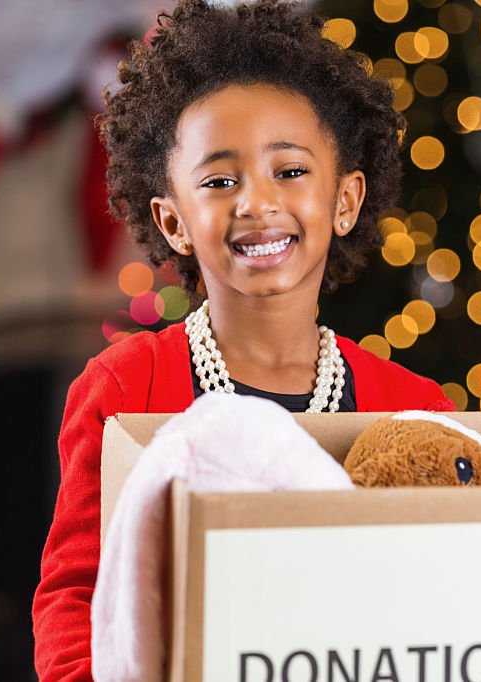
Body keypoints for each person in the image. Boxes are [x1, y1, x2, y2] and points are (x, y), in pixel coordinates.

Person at [31, 0, 455, 678]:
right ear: (173, 221)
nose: (256, 203)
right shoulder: (122, 386)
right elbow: (77, 596)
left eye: (289, 171)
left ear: (344, 201)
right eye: (220, 180)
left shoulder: (416, 407)